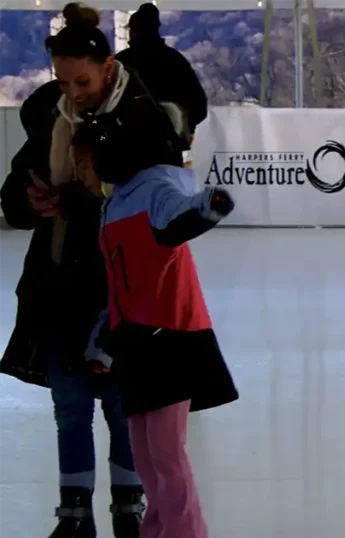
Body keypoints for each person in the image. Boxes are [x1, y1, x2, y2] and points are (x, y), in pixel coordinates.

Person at [0, 2, 185, 535]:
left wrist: (80, 201)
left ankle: (129, 508)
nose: (72, 93)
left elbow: (157, 204)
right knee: (70, 405)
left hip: (121, 289)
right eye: (62, 81)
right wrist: (28, 202)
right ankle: (74, 513)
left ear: (107, 68)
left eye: (81, 81)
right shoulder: (51, 115)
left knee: (123, 407)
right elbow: (15, 187)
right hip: (58, 283)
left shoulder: (145, 123)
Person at [73, 95, 239, 538]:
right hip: (136, 340)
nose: (86, 173)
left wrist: (210, 206)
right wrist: (107, 338)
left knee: (165, 453)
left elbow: (175, 217)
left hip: (170, 337)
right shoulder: (118, 200)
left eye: (89, 163)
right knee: (146, 455)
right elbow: (123, 280)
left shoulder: (156, 186)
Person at [115, 2, 208, 146]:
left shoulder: (121, 63)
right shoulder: (176, 60)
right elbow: (200, 107)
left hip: (127, 145)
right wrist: (182, 127)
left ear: (133, 31)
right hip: (169, 146)